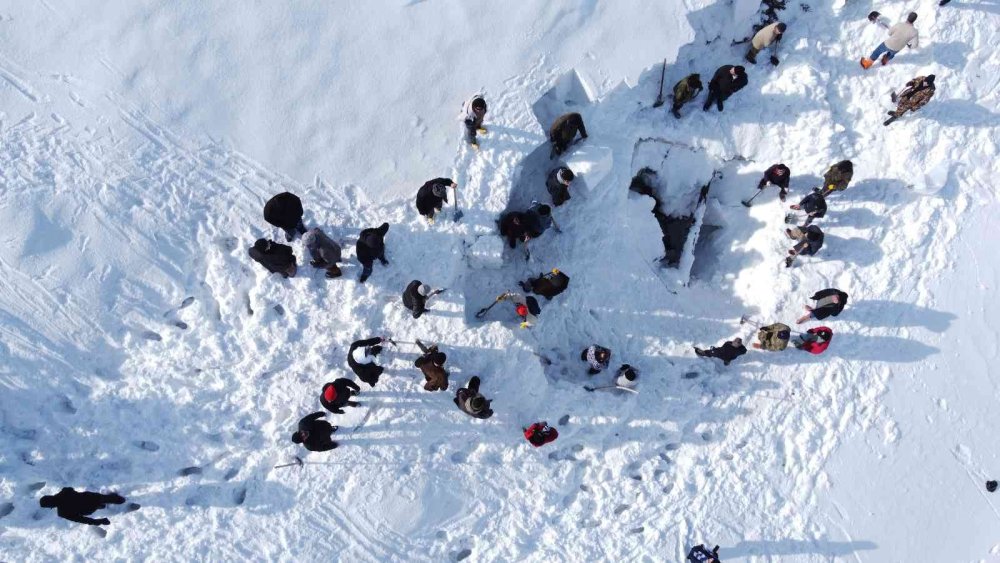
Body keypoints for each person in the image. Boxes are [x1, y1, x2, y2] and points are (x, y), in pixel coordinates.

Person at [39, 488, 126, 526]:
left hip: (89, 509)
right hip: (92, 497)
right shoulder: (64, 492)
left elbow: (81, 519)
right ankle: (120, 499)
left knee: (97, 505)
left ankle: (101, 505)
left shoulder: (62, 513)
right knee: (106, 499)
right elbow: (69, 488)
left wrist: (99, 521)